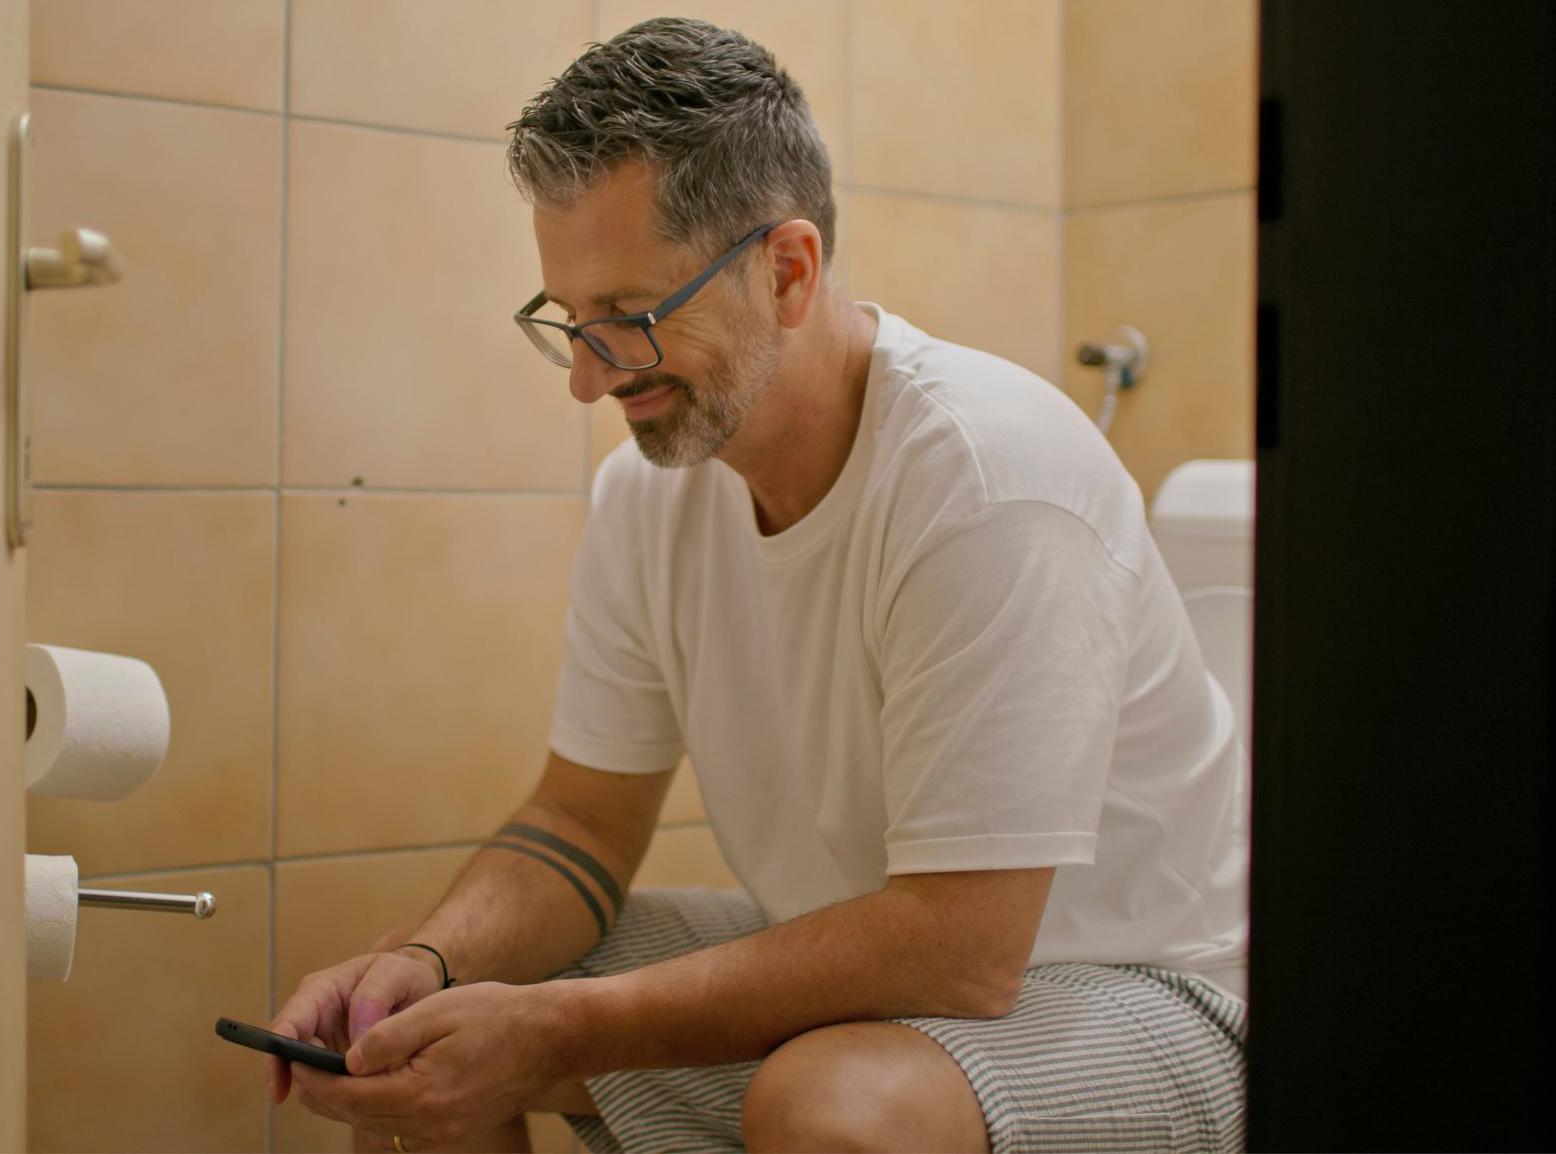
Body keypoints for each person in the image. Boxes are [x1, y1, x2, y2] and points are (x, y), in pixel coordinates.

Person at [266, 16, 1248, 1153]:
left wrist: (559, 1026)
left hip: (1147, 994)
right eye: (570, 323)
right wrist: (426, 962)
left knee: (827, 1105)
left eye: (629, 320)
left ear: (788, 271)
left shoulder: (985, 477)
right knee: (426, 1030)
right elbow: (578, 820)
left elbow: (964, 945)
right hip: (907, 966)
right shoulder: (654, 487)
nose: (589, 381)